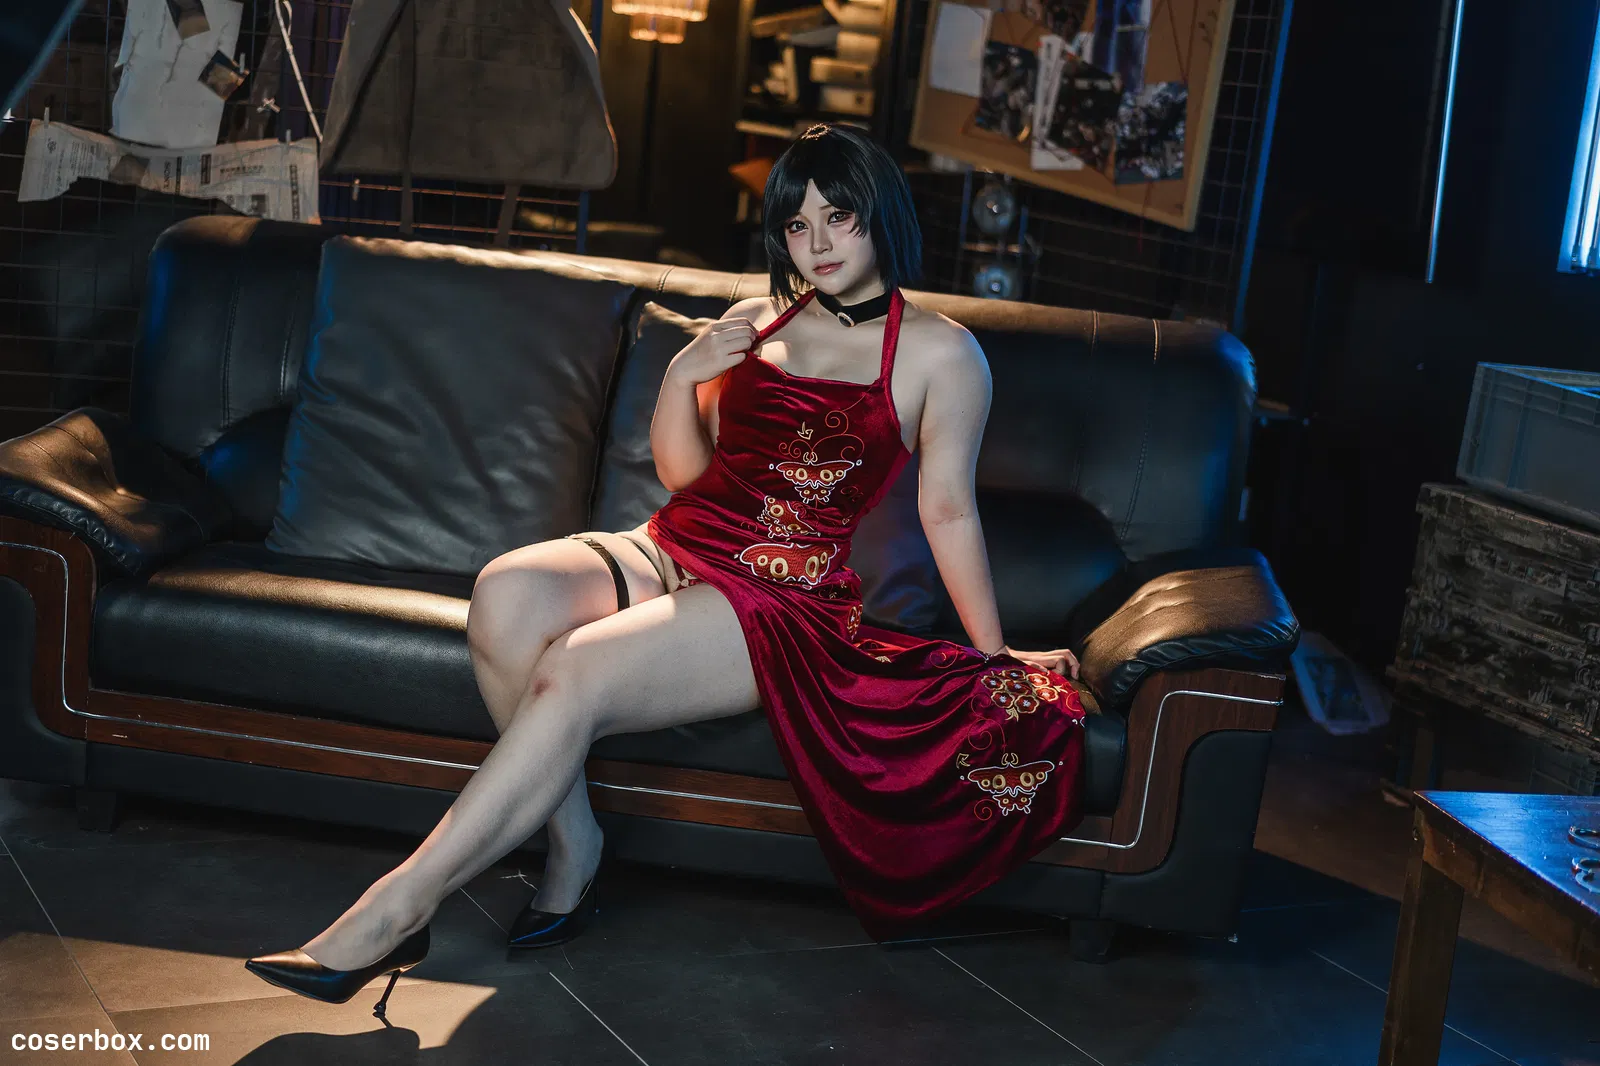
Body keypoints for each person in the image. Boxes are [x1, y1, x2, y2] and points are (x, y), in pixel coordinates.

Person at [242, 123, 1090, 1019]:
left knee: (574, 668)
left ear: (880, 215)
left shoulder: (944, 354)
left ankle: (399, 907)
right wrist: (684, 372)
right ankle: (576, 845)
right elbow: (686, 476)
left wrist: (993, 652)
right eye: (797, 226)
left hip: (779, 595)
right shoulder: (758, 322)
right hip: (673, 543)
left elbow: (946, 510)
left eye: (838, 218)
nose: (817, 244)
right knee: (504, 595)